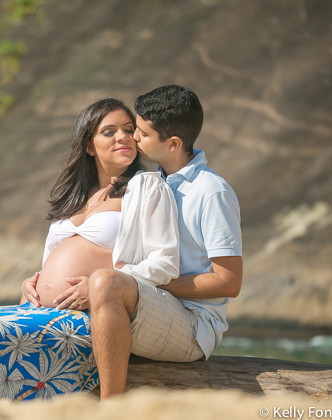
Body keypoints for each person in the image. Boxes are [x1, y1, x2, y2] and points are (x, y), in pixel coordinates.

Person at [0, 98, 180, 400]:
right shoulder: (75, 196)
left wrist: (101, 286)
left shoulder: (147, 188)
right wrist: (33, 281)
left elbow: (164, 262)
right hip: (37, 307)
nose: (123, 137)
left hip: (92, 316)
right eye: (109, 131)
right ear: (89, 145)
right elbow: (53, 260)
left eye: (129, 129)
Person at [85, 85, 243, 399]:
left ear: (172, 143)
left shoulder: (211, 192)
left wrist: (152, 284)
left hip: (193, 323)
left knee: (106, 284)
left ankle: (109, 409)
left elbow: (229, 282)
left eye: (141, 133)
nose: (132, 139)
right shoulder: (151, 182)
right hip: (155, 303)